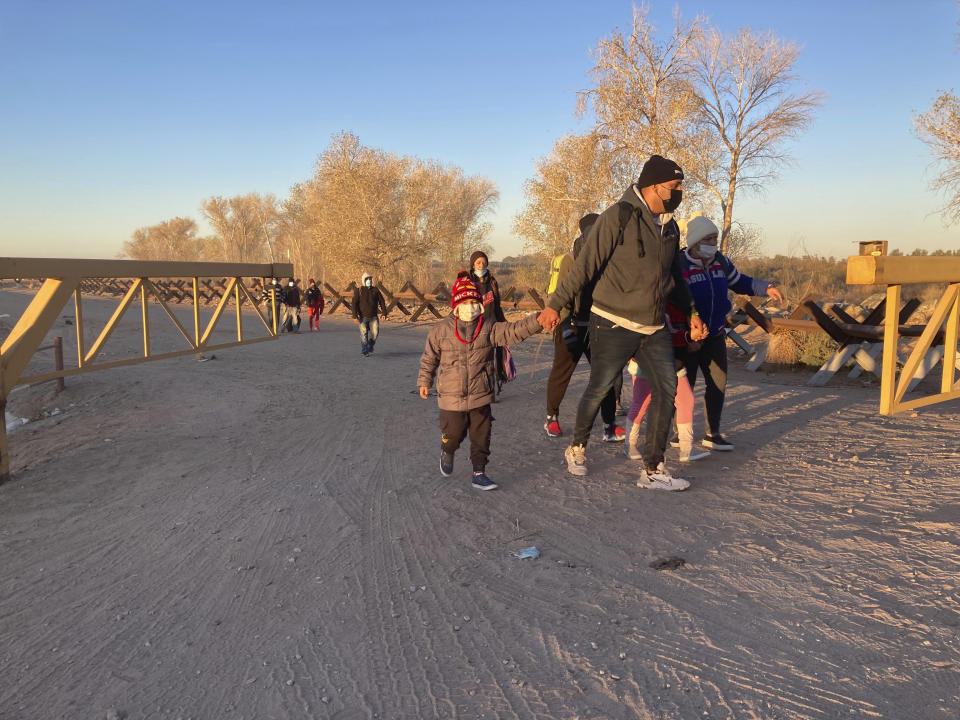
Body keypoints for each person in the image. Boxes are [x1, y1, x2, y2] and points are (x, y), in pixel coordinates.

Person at [537, 154, 707, 491]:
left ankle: (653, 469)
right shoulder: (618, 217)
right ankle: (577, 447)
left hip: (653, 324)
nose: (679, 192)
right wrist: (555, 306)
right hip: (612, 321)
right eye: (674, 187)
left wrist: (691, 313)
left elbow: (675, 278)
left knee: (667, 389)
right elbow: (585, 266)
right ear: (653, 186)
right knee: (600, 387)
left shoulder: (670, 227)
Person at [418, 271, 544, 491]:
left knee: (481, 435)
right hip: (450, 396)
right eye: (465, 302)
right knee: (454, 433)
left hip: (481, 393)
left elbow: (514, 331)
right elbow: (429, 357)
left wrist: (538, 320)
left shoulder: (488, 328)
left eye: (473, 302)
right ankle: (447, 450)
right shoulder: (440, 331)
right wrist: (424, 380)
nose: (470, 306)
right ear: (456, 305)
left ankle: (479, 472)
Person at [677, 216, 784, 451]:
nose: (713, 243)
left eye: (715, 238)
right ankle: (680, 434)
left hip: (715, 334)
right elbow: (676, 299)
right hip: (689, 338)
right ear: (695, 241)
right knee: (686, 386)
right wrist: (689, 324)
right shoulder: (680, 265)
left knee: (718, 384)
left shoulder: (721, 263)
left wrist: (766, 287)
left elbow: (741, 282)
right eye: (708, 238)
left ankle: (712, 433)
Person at [543, 213, 624, 443]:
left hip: (598, 324)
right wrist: (566, 324)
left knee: (604, 375)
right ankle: (552, 417)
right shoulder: (569, 259)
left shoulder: (607, 255)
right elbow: (561, 292)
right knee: (562, 373)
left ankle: (609, 424)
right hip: (571, 324)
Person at [623, 301, 711, 463]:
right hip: (647, 360)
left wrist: (695, 338)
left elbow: (681, 329)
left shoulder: (682, 301)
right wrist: (687, 337)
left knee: (686, 401)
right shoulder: (651, 297)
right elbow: (661, 336)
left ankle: (686, 449)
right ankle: (630, 444)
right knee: (642, 403)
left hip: (674, 360)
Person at [352, 271, 387, 356]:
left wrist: (384, 313)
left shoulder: (375, 290)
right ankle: (365, 350)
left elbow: (382, 301)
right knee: (364, 334)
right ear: (364, 280)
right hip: (362, 317)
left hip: (373, 316)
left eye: (370, 279)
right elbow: (354, 303)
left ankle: (370, 345)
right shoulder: (359, 290)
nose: (369, 281)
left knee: (375, 333)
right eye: (367, 279)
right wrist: (354, 315)